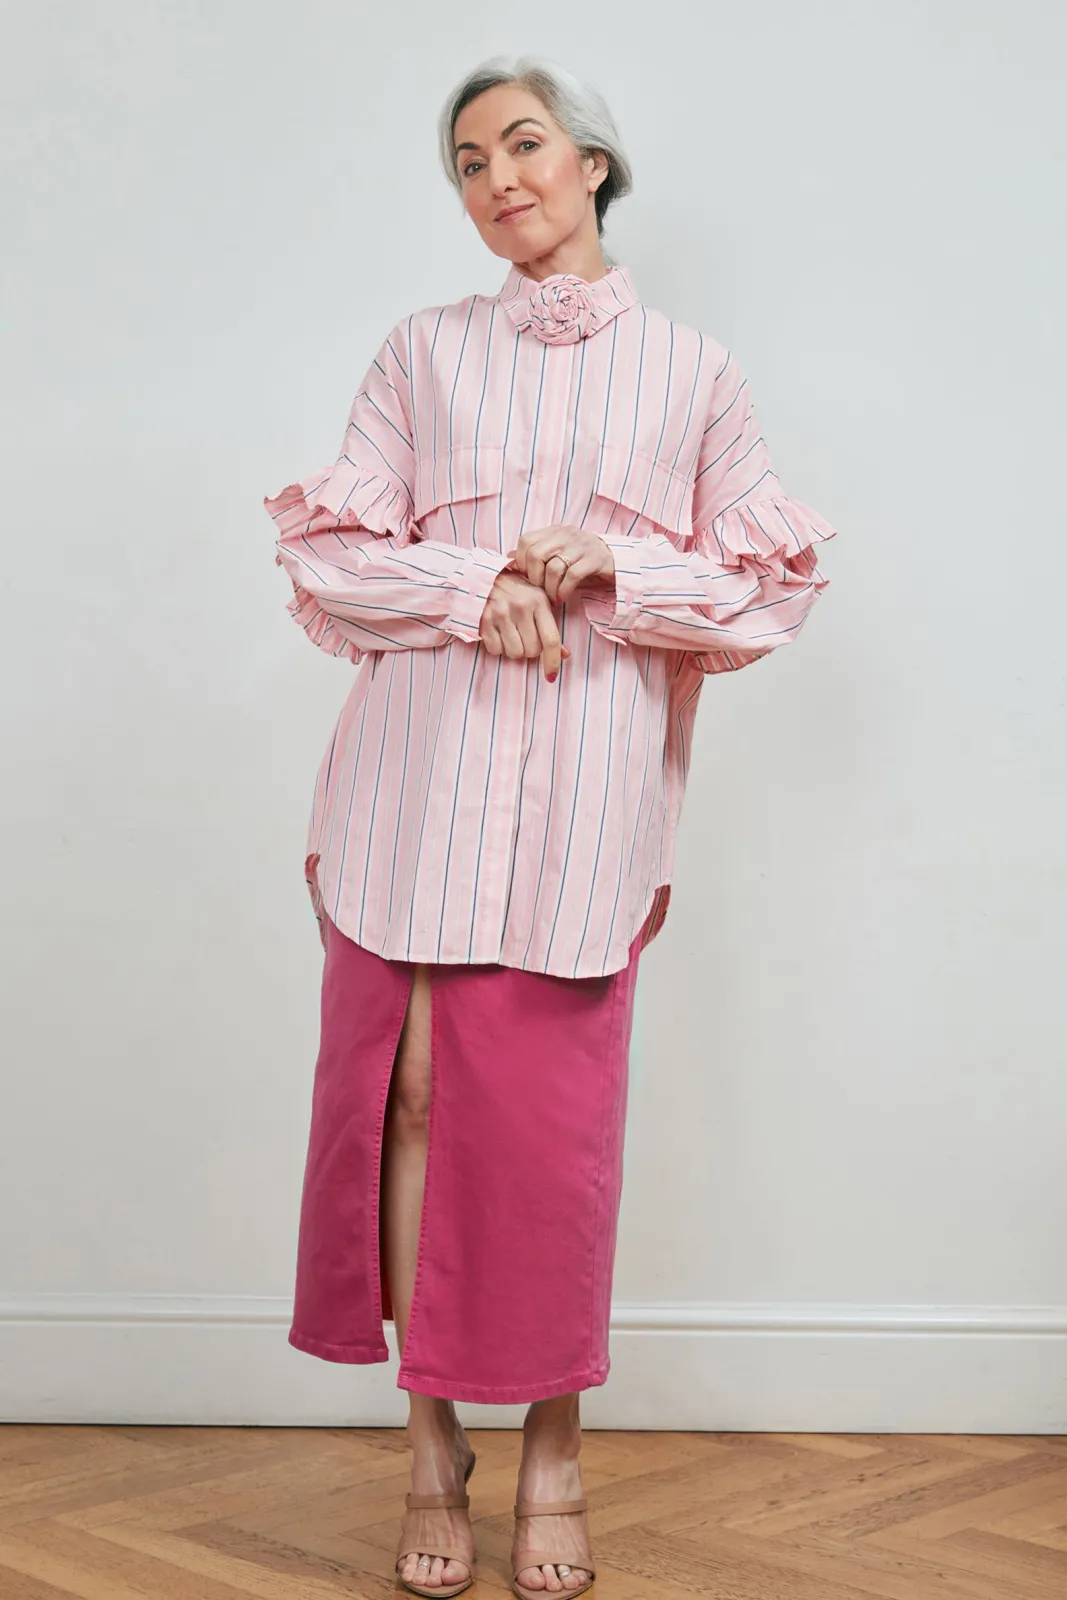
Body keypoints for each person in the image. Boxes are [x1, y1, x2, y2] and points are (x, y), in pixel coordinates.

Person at [263, 53, 838, 1600]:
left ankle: (558, 1450)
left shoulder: (694, 374)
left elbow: (764, 590)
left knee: (548, 1139)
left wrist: (610, 574)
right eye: (466, 163)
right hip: (412, 781)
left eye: (521, 144)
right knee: (409, 1107)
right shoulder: (421, 354)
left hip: (585, 799)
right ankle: (431, 1447)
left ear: (591, 163)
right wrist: (480, 586)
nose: (495, 179)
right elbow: (329, 561)